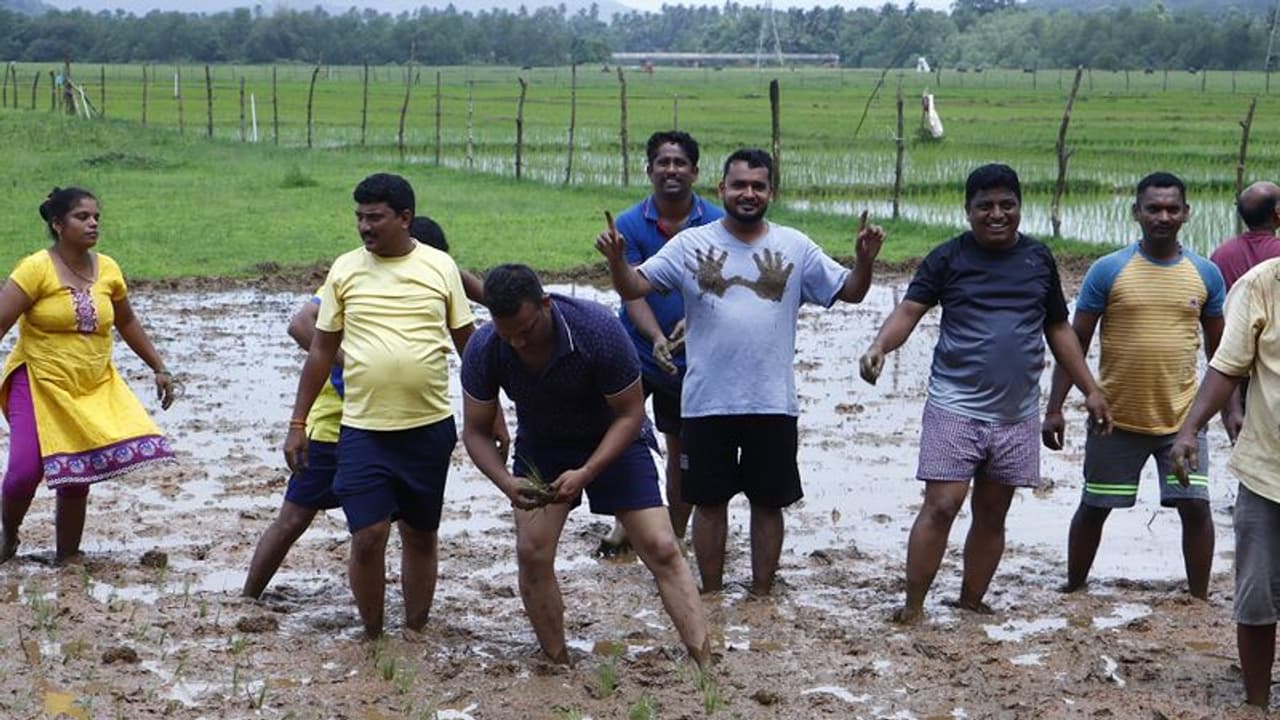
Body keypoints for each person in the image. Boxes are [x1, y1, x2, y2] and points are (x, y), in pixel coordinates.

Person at [597, 147, 884, 596]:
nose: (748, 193)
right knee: (708, 504)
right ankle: (710, 594)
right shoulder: (690, 245)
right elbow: (636, 285)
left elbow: (850, 292)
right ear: (721, 190)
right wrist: (617, 262)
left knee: (769, 504)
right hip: (706, 400)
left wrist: (864, 260)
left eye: (758, 186)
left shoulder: (795, 245)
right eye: (739, 185)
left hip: (771, 399)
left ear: (771, 191)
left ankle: (761, 594)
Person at [859, 163, 1110, 624]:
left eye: (1006, 205)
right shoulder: (947, 258)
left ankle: (971, 602)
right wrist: (879, 346)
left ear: (1019, 208)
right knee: (942, 506)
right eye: (985, 206)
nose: (996, 215)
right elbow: (910, 309)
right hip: (955, 406)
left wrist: (1089, 390)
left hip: (1016, 414)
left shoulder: (1038, 260)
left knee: (993, 512)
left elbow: (1058, 328)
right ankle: (913, 607)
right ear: (968, 210)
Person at [460, 264, 709, 668]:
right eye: (509, 335)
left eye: (526, 329)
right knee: (532, 551)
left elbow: (630, 414)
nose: (519, 342)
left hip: (613, 435)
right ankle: (557, 661)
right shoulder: (486, 346)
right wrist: (506, 482)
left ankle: (704, 662)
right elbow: (473, 432)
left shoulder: (596, 329)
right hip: (542, 444)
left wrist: (588, 472)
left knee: (662, 547)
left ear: (545, 304)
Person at [244, 216, 494, 599]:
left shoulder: (431, 269)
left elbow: (481, 296)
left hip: (404, 425)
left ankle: (404, 620)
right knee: (295, 516)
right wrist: (355, 362)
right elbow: (300, 324)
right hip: (337, 421)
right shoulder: (354, 273)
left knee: (405, 528)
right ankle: (248, 597)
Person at [1045, 171, 1225, 600]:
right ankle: (1074, 587)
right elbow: (1075, 342)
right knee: (1094, 507)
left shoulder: (1206, 274)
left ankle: (1199, 597)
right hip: (1115, 419)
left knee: (1195, 507)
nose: (1162, 216)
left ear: (1186, 214)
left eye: (1171, 209)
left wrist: (1233, 411)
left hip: (1182, 422)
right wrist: (1054, 406)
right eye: (1153, 208)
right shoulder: (1108, 269)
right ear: (1136, 213)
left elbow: (1223, 357)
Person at [0, 187, 175, 563]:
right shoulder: (35, 269)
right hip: (38, 380)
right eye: (82, 217)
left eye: (96, 216)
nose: (93, 223)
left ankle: (67, 556)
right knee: (24, 472)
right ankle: (9, 534)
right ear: (58, 224)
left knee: (75, 472)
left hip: (89, 384)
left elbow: (126, 320)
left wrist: (158, 367)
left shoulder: (108, 268)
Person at [598, 130, 724, 557]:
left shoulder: (716, 223)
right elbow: (633, 289)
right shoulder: (632, 225)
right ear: (649, 169)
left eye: (680, 162)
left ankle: (675, 529)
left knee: (680, 447)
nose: (671, 170)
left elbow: (719, 284)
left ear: (695, 171)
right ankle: (625, 522)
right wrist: (655, 338)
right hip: (636, 349)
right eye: (663, 162)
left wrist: (694, 318)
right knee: (622, 435)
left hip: (697, 355)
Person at [1169, 256, 1280, 708]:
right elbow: (1227, 367)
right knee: (1256, 598)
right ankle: (1255, 703)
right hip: (1268, 472)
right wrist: (1189, 429)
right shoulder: (1261, 284)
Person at [1208, 181, 1280, 444]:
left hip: (1235, 364)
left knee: (1244, 435)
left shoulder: (1220, 255)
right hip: (1272, 365)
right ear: (1277, 214)